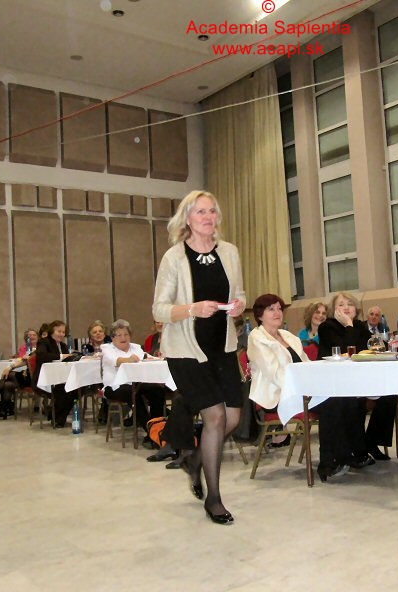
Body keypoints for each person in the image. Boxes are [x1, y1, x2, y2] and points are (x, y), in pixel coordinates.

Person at [152, 189, 246, 525]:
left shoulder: (230, 252)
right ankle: (214, 498)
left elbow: (239, 293)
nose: (208, 217)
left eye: (212, 211)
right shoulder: (174, 257)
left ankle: (194, 461)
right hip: (185, 350)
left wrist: (239, 305)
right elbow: (159, 309)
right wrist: (192, 309)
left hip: (223, 346)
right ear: (187, 219)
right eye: (201, 212)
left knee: (232, 418)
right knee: (215, 417)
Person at [317, 291, 397, 477]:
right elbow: (347, 349)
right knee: (353, 401)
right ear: (333, 310)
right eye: (341, 305)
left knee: (390, 395)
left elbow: (375, 346)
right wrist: (348, 325)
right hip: (335, 382)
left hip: (360, 379)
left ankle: (371, 441)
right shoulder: (327, 327)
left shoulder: (359, 325)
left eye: (350, 304)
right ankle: (356, 451)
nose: (346, 308)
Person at [247, 293, 310, 448]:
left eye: (279, 308)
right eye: (271, 309)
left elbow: (306, 363)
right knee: (332, 405)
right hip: (274, 395)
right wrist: (302, 388)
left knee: (338, 399)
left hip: (297, 390)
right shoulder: (257, 338)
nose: (277, 312)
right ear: (260, 315)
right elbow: (274, 374)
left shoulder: (288, 336)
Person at [100, 319, 165, 437]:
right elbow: (116, 361)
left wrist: (158, 358)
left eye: (126, 334)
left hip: (136, 383)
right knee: (133, 394)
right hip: (114, 386)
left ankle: (158, 427)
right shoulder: (107, 349)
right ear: (113, 338)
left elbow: (147, 357)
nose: (123, 337)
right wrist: (128, 360)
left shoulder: (136, 347)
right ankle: (152, 433)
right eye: (119, 335)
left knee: (157, 390)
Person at [34, 320, 73, 428]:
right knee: (65, 390)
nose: (61, 334)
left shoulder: (63, 345)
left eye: (63, 332)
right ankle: (58, 418)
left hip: (61, 378)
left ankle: (56, 415)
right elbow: (42, 356)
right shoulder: (44, 342)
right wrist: (61, 356)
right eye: (59, 331)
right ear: (52, 331)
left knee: (76, 388)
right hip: (45, 380)